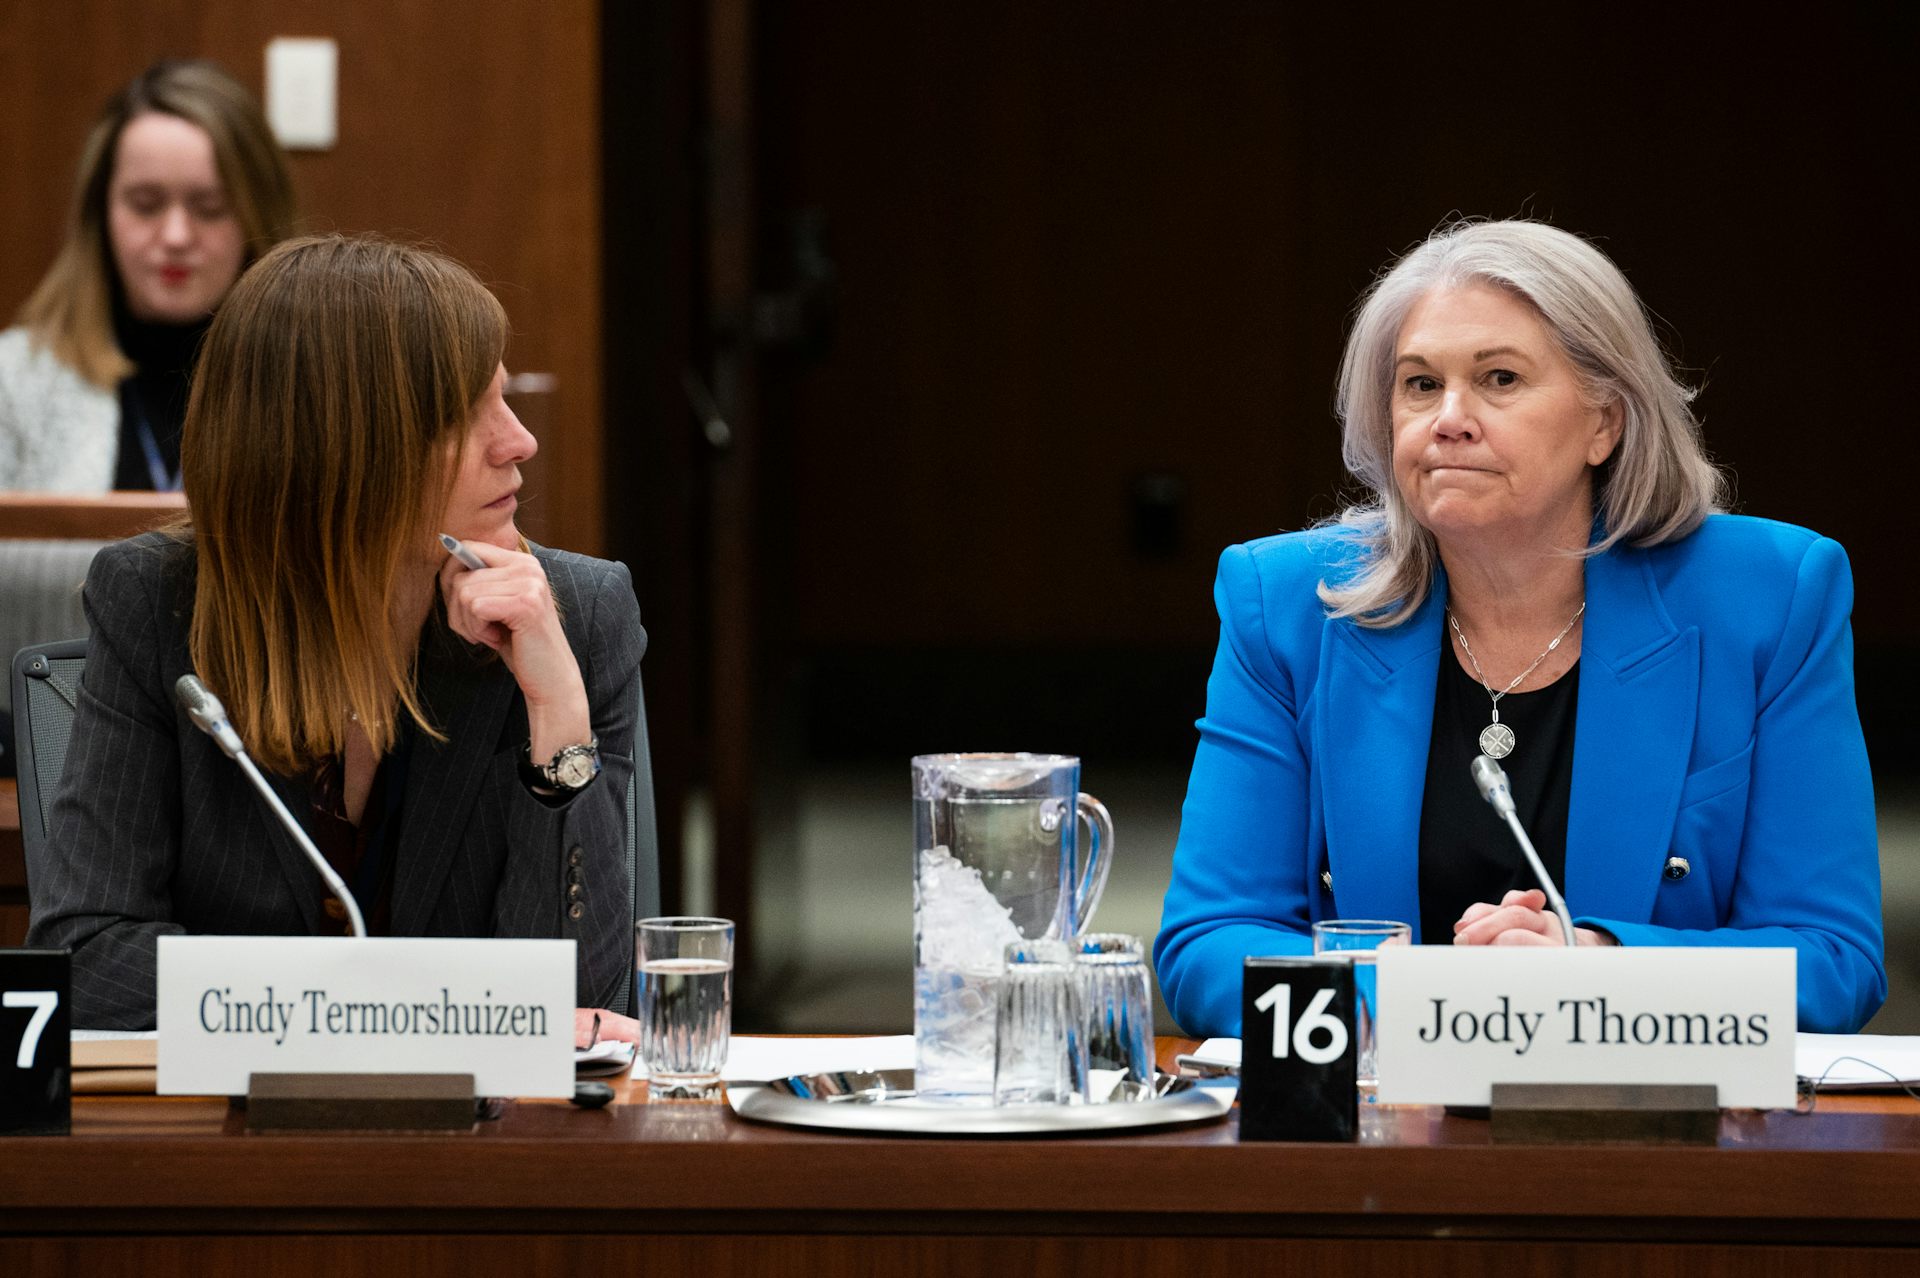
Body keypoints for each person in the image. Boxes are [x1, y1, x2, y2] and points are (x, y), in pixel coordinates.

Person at [1154, 219, 1884, 1037]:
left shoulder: (1769, 596)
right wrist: (1444, 1006)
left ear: (1604, 421)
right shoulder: (1289, 601)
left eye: (1499, 379)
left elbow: (1832, 959)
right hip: (1381, 1136)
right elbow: (1206, 946)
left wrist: (1598, 969)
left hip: (1657, 1143)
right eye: (1420, 385)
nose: (1449, 418)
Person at [25, 235, 644, 1029]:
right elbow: (90, 961)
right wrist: (396, 1006)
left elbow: (580, 1008)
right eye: (466, 414)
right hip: (237, 1141)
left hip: (483, 1145)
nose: (518, 440)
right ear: (341, 451)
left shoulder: (570, 617)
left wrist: (556, 708)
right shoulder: (157, 603)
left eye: (506, 398)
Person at [0, 59, 295, 492]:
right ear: (100, 214)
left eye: (210, 208)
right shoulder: (14, 379)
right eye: (145, 204)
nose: (176, 236)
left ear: (259, 217)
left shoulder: (308, 381)